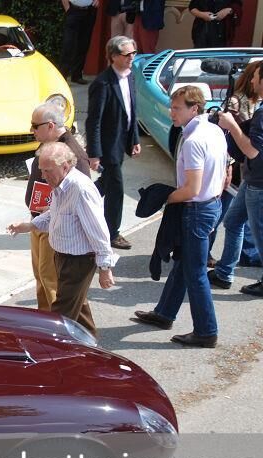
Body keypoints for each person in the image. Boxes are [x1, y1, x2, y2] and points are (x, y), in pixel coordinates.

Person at [135, 86, 228, 347]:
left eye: (176, 108)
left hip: (197, 210)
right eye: (171, 107)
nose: (171, 112)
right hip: (212, 205)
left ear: (194, 109)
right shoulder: (214, 130)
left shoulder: (194, 141)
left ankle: (206, 332)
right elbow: (225, 171)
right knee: (184, 264)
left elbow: (191, 190)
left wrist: (165, 198)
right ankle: (164, 314)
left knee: (195, 273)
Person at [8, 142, 116, 337]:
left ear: (65, 166)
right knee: (78, 310)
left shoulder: (80, 189)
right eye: (41, 170)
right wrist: (29, 226)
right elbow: (54, 214)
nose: (43, 176)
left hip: (79, 262)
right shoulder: (60, 185)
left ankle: (50, 350)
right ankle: (91, 346)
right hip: (62, 257)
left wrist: (105, 268)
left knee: (60, 318)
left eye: (47, 171)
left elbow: (98, 231)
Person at [26, 103, 91, 311]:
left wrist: (52, 211)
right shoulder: (48, 144)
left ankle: (55, 325)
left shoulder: (72, 153)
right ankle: (43, 320)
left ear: (50, 125)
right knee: (41, 277)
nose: (31, 130)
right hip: (40, 222)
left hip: (54, 225)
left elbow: (83, 197)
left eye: (35, 125)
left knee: (51, 282)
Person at [208, 61, 261, 290]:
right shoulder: (255, 107)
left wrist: (232, 125)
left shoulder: (261, 112)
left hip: (258, 183)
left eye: (256, 77)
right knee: (233, 221)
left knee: (259, 234)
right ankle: (224, 273)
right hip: (251, 179)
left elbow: (252, 151)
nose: (252, 80)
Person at [86, 35, 141, 250]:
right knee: (116, 189)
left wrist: (134, 139)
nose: (131, 57)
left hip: (121, 142)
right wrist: (94, 153)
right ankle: (112, 233)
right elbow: (94, 121)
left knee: (106, 183)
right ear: (113, 56)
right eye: (127, 54)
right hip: (108, 147)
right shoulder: (102, 83)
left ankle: (76, 201)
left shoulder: (130, 76)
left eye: (133, 53)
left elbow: (131, 110)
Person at [59, 0, 98, 85]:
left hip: (90, 11)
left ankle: (77, 75)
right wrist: (68, 9)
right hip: (73, 10)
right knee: (68, 45)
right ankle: (62, 76)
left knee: (84, 44)